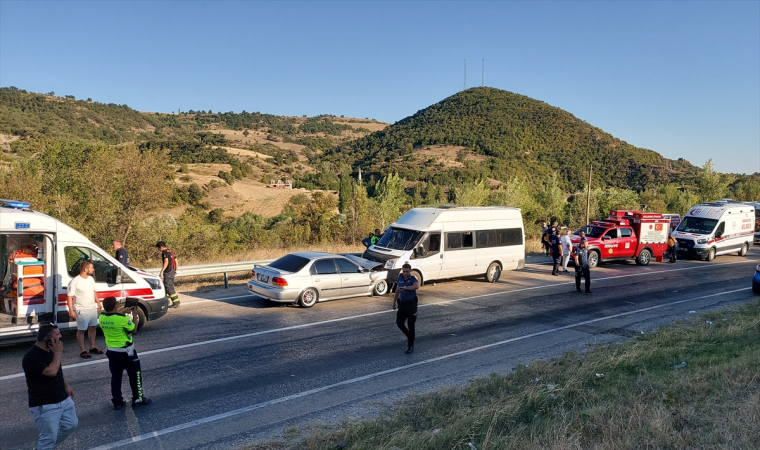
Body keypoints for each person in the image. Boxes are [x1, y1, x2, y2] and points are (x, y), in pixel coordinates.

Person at [22, 323, 78, 450]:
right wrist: (58, 353)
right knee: (49, 437)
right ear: (47, 338)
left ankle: (46, 447)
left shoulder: (51, 350)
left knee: (72, 424)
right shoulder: (32, 357)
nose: (61, 337)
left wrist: (66, 385)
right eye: (57, 334)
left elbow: (58, 369)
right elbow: (51, 371)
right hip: (45, 404)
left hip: (62, 398)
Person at [99, 296, 152, 410]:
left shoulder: (102, 317)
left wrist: (122, 312)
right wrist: (135, 315)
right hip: (126, 352)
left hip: (112, 352)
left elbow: (113, 317)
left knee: (116, 377)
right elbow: (134, 330)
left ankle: (117, 402)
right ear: (115, 306)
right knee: (135, 375)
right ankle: (138, 399)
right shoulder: (122, 319)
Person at [66, 261, 103, 359]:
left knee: (93, 327)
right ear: (85, 269)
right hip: (81, 309)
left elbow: (93, 291)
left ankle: (92, 347)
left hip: (92, 308)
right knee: (81, 330)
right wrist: (71, 310)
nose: (93, 269)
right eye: (91, 268)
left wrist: (98, 302)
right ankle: (82, 350)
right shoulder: (75, 281)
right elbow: (69, 296)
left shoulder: (90, 279)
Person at [393, 263, 419, 354]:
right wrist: (394, 301)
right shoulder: (400, 277)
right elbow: (397, 289)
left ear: (410, 271)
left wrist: (405, 287)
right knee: (399, 323)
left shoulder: (413, 278)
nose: (405, 273)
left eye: (407, 272)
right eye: (404, 271)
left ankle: (410, 345)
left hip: (411, 305)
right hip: (402, 304)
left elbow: (416, 286)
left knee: (411, 325)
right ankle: (410, 336)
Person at [156, 241, 180, 308]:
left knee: (169, 287)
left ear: (161, 247)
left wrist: (162, 271)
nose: (159, 250)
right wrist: (176, 270)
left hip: (168, 271)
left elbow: (166, 262)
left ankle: (176, 302)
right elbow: (176, 261)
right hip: (172, 271)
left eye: (158, 248)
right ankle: (166, 301)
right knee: (166, 287)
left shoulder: (165, 252)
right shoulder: (171, 251)